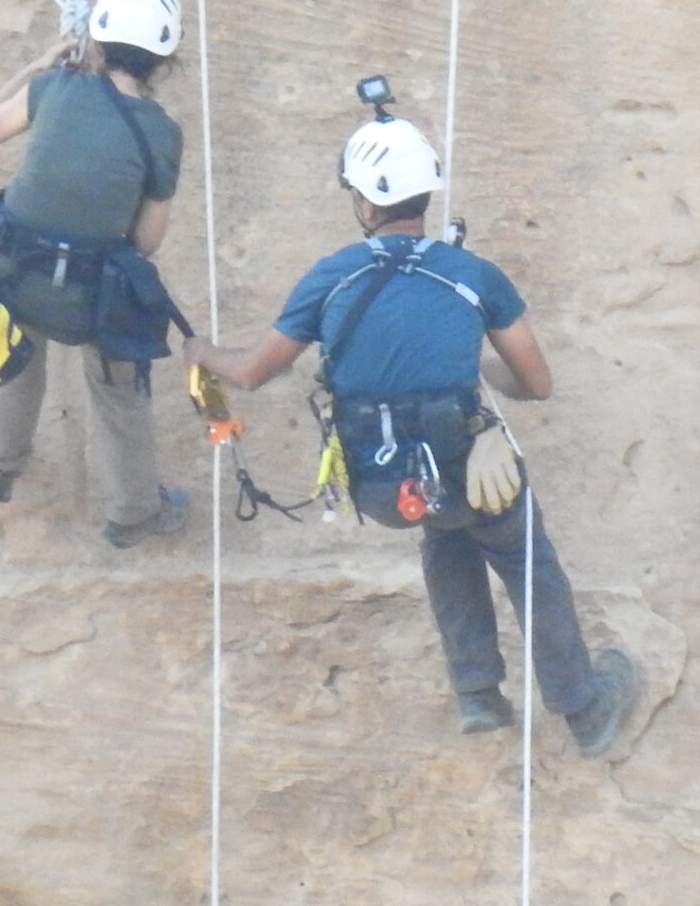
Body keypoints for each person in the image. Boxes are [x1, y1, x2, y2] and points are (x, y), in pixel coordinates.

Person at [188, 108, 639, 756]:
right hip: (467, 460)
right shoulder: (470, 275)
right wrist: (468, 362)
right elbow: (535, 382)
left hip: (379, 482)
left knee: (444, 530)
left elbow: (255, 372)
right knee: (521, 556)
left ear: (367, 203)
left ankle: (479, 692)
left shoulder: (331, 275)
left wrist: (205, 353)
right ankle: (584, 708)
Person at [0, 0, 190, 547]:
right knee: (118, 389)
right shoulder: (162, 133)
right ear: (163, 59)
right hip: (94, 295)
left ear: (97, 38)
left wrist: (34, 67)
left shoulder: (54, 89)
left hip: (17, 271)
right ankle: (133, 513)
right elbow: (148, 241)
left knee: (12, 355)